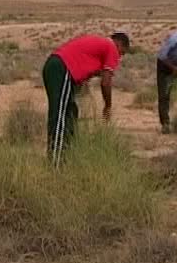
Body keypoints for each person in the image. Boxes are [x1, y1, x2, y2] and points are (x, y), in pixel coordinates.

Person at [43, 31, 131, 167]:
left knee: (70, 114)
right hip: (62, 68)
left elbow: (84, 69)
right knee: (60, 116)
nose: (119, 58)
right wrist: (107, 106)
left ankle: (65, 157)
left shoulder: (100, 44)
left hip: (56, 66)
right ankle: (56, 164)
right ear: (119, 44)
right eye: (122, 53)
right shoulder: (111, 47)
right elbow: (106, 82)